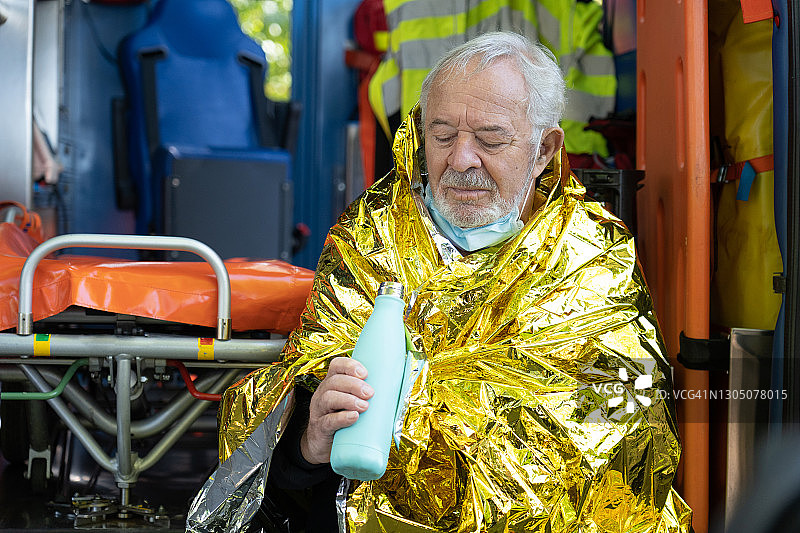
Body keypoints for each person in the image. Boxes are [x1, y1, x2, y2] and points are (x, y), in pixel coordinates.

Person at [188, 32, 692, 533]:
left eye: (490, 139)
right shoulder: (372, 238)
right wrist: (309, 440)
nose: (460, 161)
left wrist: (428, 401)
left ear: (544, 150)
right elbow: (295, 413)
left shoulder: (591, 258)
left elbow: (619, 431)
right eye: (443, 135)